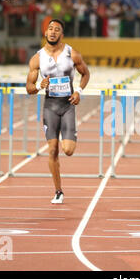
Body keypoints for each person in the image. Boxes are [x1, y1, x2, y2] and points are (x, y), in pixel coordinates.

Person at [26, 19, 90, 204]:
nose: (53, 32)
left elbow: (85, 73)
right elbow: (29, 88)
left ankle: (67, 134)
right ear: (45, 33)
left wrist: (79, 91)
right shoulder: (37, 58)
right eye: (50, 29)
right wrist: (39, 85)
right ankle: (58, 191)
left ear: (61, 35)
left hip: (68, 105)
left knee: (68, 150)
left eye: (57, 30)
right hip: (50, 106)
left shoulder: (72, 54)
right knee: (52, 150)